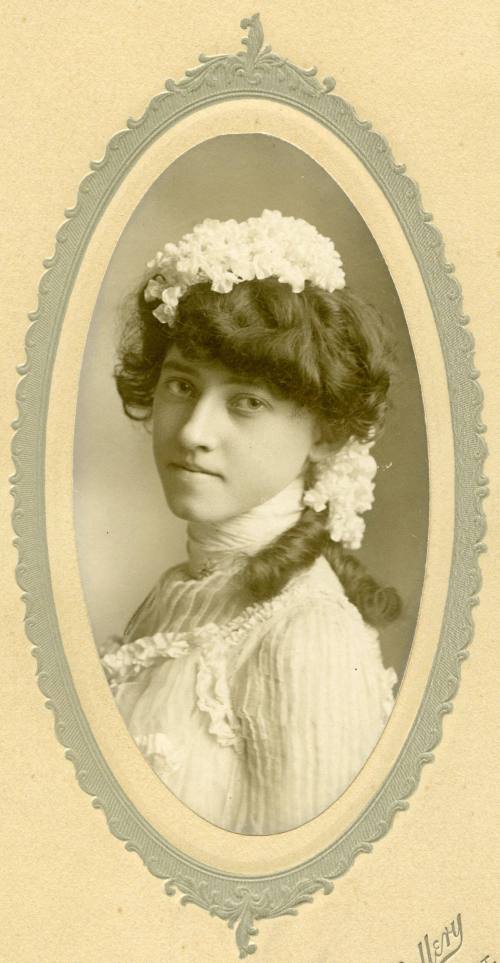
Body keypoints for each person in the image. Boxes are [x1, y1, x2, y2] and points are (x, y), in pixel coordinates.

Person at [100, 210, 400, 834]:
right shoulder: (177, 595)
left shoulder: (309, 638)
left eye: (247, 402)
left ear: (323, 432)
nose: (193, 433)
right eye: (181, 385)